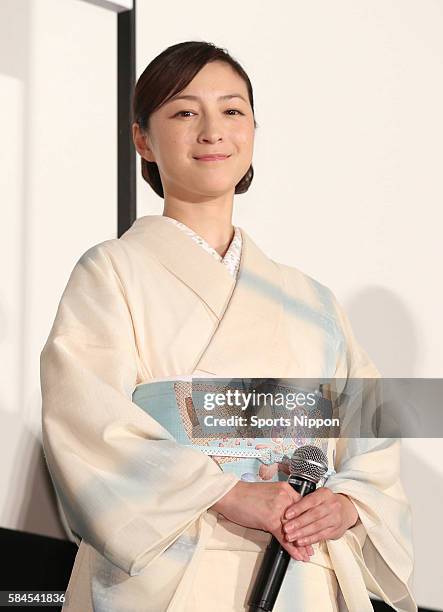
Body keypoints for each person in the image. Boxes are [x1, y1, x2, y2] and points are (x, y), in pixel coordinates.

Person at [40, 41, 416, 611]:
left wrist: (348, 504)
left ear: (254, 131)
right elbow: (86, 419)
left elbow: (372, 436)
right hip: (173, 560)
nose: (213, 131)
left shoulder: (311, 300)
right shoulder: (112, 271)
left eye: (233, 110)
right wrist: (227, 491)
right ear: (143, 138)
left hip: (298, 564)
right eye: (185, 112)